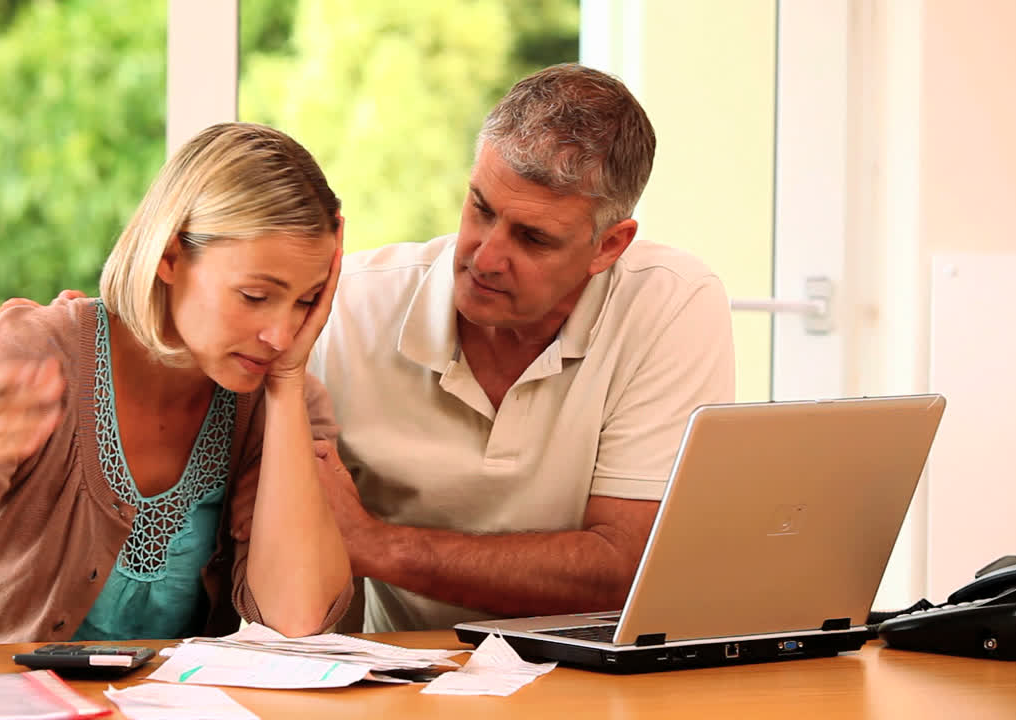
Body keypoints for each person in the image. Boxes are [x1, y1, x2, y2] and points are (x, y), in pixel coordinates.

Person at [0, 122, 353, 657]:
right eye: (254, 295)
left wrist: (288, 384)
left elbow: (298, 622)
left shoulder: (278, 406)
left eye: (305, 302)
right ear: (170, 256)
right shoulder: (35, 354)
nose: (281, 335)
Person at [299, 63, 736, 632]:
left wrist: (377, 546)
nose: (484, 258)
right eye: (481, 208)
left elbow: (629, 568)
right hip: (407, 675)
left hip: (598, 680)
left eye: (533, 238)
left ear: (609, 245)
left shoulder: (673, 303)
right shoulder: (347, 308)